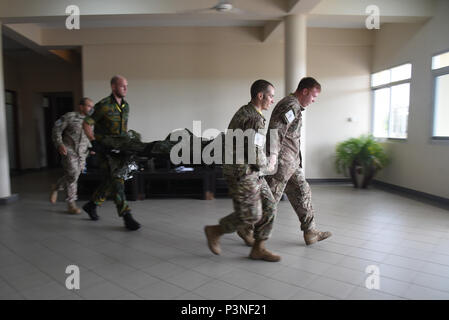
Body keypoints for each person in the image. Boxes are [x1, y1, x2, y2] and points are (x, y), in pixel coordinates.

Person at [204, 79, 280, 262]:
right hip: (242, 172)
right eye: (271, 96)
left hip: (251, 171)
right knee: (251, 214)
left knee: (269, 206)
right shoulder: (254, 119)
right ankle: (215, 230)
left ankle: (258, 248)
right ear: (260, 95)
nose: (272, 100)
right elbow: (254, 152)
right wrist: (269, 166)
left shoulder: (247, 112)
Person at [265, 77, 332, 245]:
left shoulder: (295, 106)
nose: (314, 100)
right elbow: (276, 131)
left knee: (303, 191)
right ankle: (249, 229)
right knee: (269, 199)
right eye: (314, 96)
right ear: (305, 91)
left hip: (291, 163)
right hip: (281, 163)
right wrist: (273, 158)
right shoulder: (291, 105)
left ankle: (310, 232)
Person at [82, 75, 141, 231]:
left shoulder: (126, 106)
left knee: (109, 181)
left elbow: (124, 129)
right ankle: (126, 216)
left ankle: (91, 205)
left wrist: (128, 144)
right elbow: (86, 124)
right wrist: (94, 142)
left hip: (120, 149)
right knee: (117, 180)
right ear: (114, 87)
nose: (126, 89)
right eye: (122, 86)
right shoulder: (103, 105)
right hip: (105, 150)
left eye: (127, 86)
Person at [50, 98, 94, 214]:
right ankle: (71, 204)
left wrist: (93, 147)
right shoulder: (70, 117)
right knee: (73, 174)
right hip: (69, 150)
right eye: (88, 106)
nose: (91, 109)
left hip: (83, 153)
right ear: (81, 106)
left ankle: (56, 187)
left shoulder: (91, 121)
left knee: (74, 175)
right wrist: (59, 144)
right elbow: (56, 129)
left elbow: (91, 136)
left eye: (91, 106)